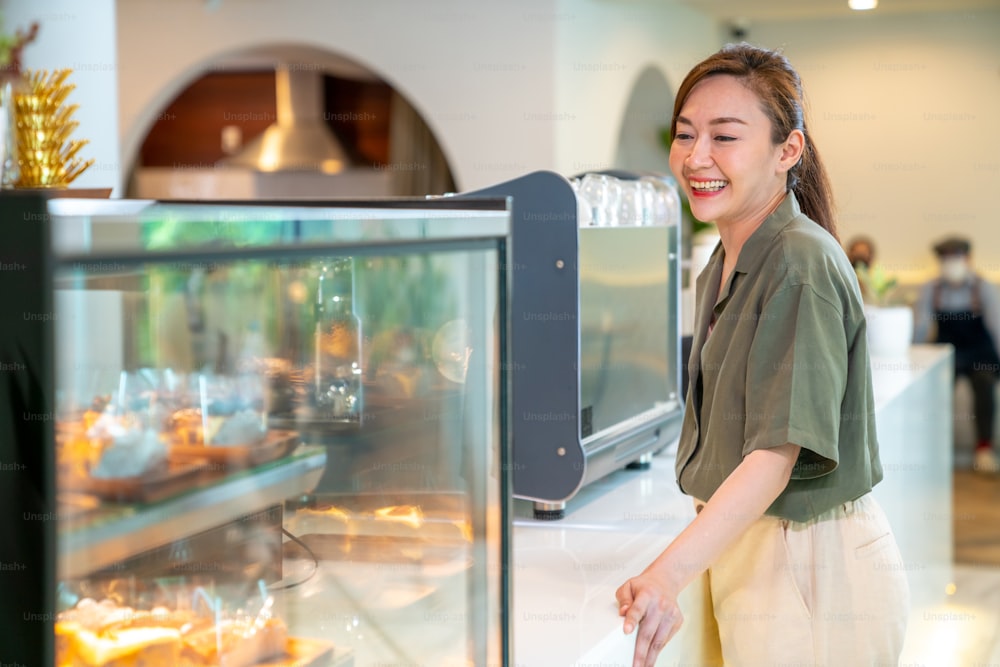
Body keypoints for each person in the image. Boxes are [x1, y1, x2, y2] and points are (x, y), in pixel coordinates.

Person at [614, 43, 910, 667]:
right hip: (758, 556)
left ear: (788, 151)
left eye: (725, 137)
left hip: (811, 565)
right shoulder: (725, 262)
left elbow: (775, 454)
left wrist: (665, 576)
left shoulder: (799, 261)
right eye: (686, 134)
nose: (697, 158)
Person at [913, 236, 1000, 474]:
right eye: (945, 259)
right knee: (937, 390)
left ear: (968, 259)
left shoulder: (983, 287)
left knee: (984, 384)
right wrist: (912, 362)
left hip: (980, 354)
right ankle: (934, 448)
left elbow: (996, 326)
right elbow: (921, 325)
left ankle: (984, 449)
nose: (950, 263)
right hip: (946, 355)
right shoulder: (931, 288)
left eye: (956, 258)